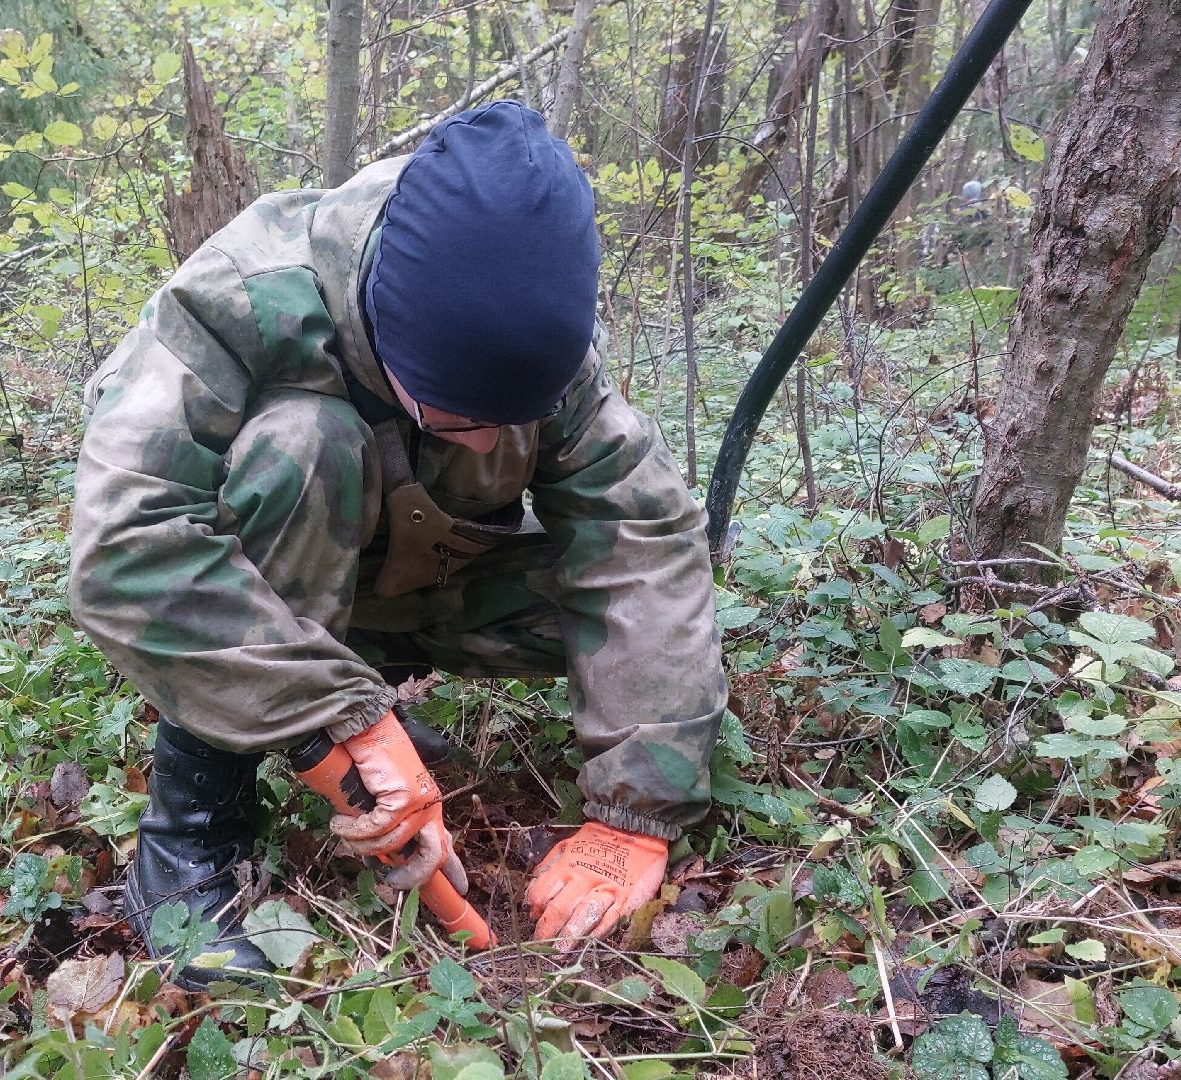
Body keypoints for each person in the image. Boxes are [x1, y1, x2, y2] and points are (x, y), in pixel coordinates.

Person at [67, 100, 727, 990]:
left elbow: (642, 540)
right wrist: (338, 719)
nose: (494, 445)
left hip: (430, 578)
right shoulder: (235, 298)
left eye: (514, 421)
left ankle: (366, 687)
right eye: (464, 417)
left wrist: (635, 816)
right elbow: (125, 547)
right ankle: (192, 825)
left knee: (629, 588)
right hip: (262, 587)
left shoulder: (549, 343)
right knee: (303, 444)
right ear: (391, 344)